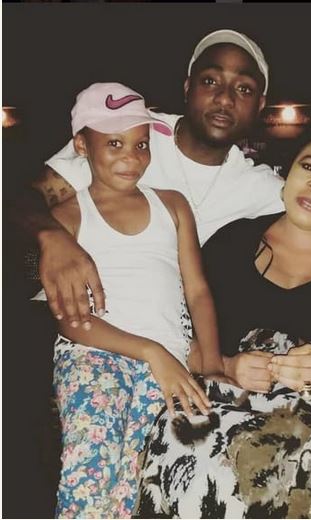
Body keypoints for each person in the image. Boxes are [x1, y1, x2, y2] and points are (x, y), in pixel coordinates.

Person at [12, 29, 311, 349]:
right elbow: (19, 199)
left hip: (170, 338)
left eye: (243, 88)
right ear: (188, 87)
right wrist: (52, 238)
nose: (225, 98)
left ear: (260, 104)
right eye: (211, 81)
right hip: (72, 325)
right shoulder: (132, 136)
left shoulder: (258, 185)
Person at [133, 131, 311, 519]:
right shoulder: (231, 242)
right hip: (222, 405)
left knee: (261, 468)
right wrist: (227, 364)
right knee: (180, 443)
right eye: (309, 167)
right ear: (286, 175)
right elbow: (176, 333)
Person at [44, 82, 223, 519]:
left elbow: (198, 290)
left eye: (141, 144)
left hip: (171, 361)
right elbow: (70, 318)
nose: (132, 156)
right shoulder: (67, 216)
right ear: (81, 146)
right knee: (90, 469)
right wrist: (150, 351)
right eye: (115, 143)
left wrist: (214, 364)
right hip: (94, 354)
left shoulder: (173, 206)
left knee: (138, 480)